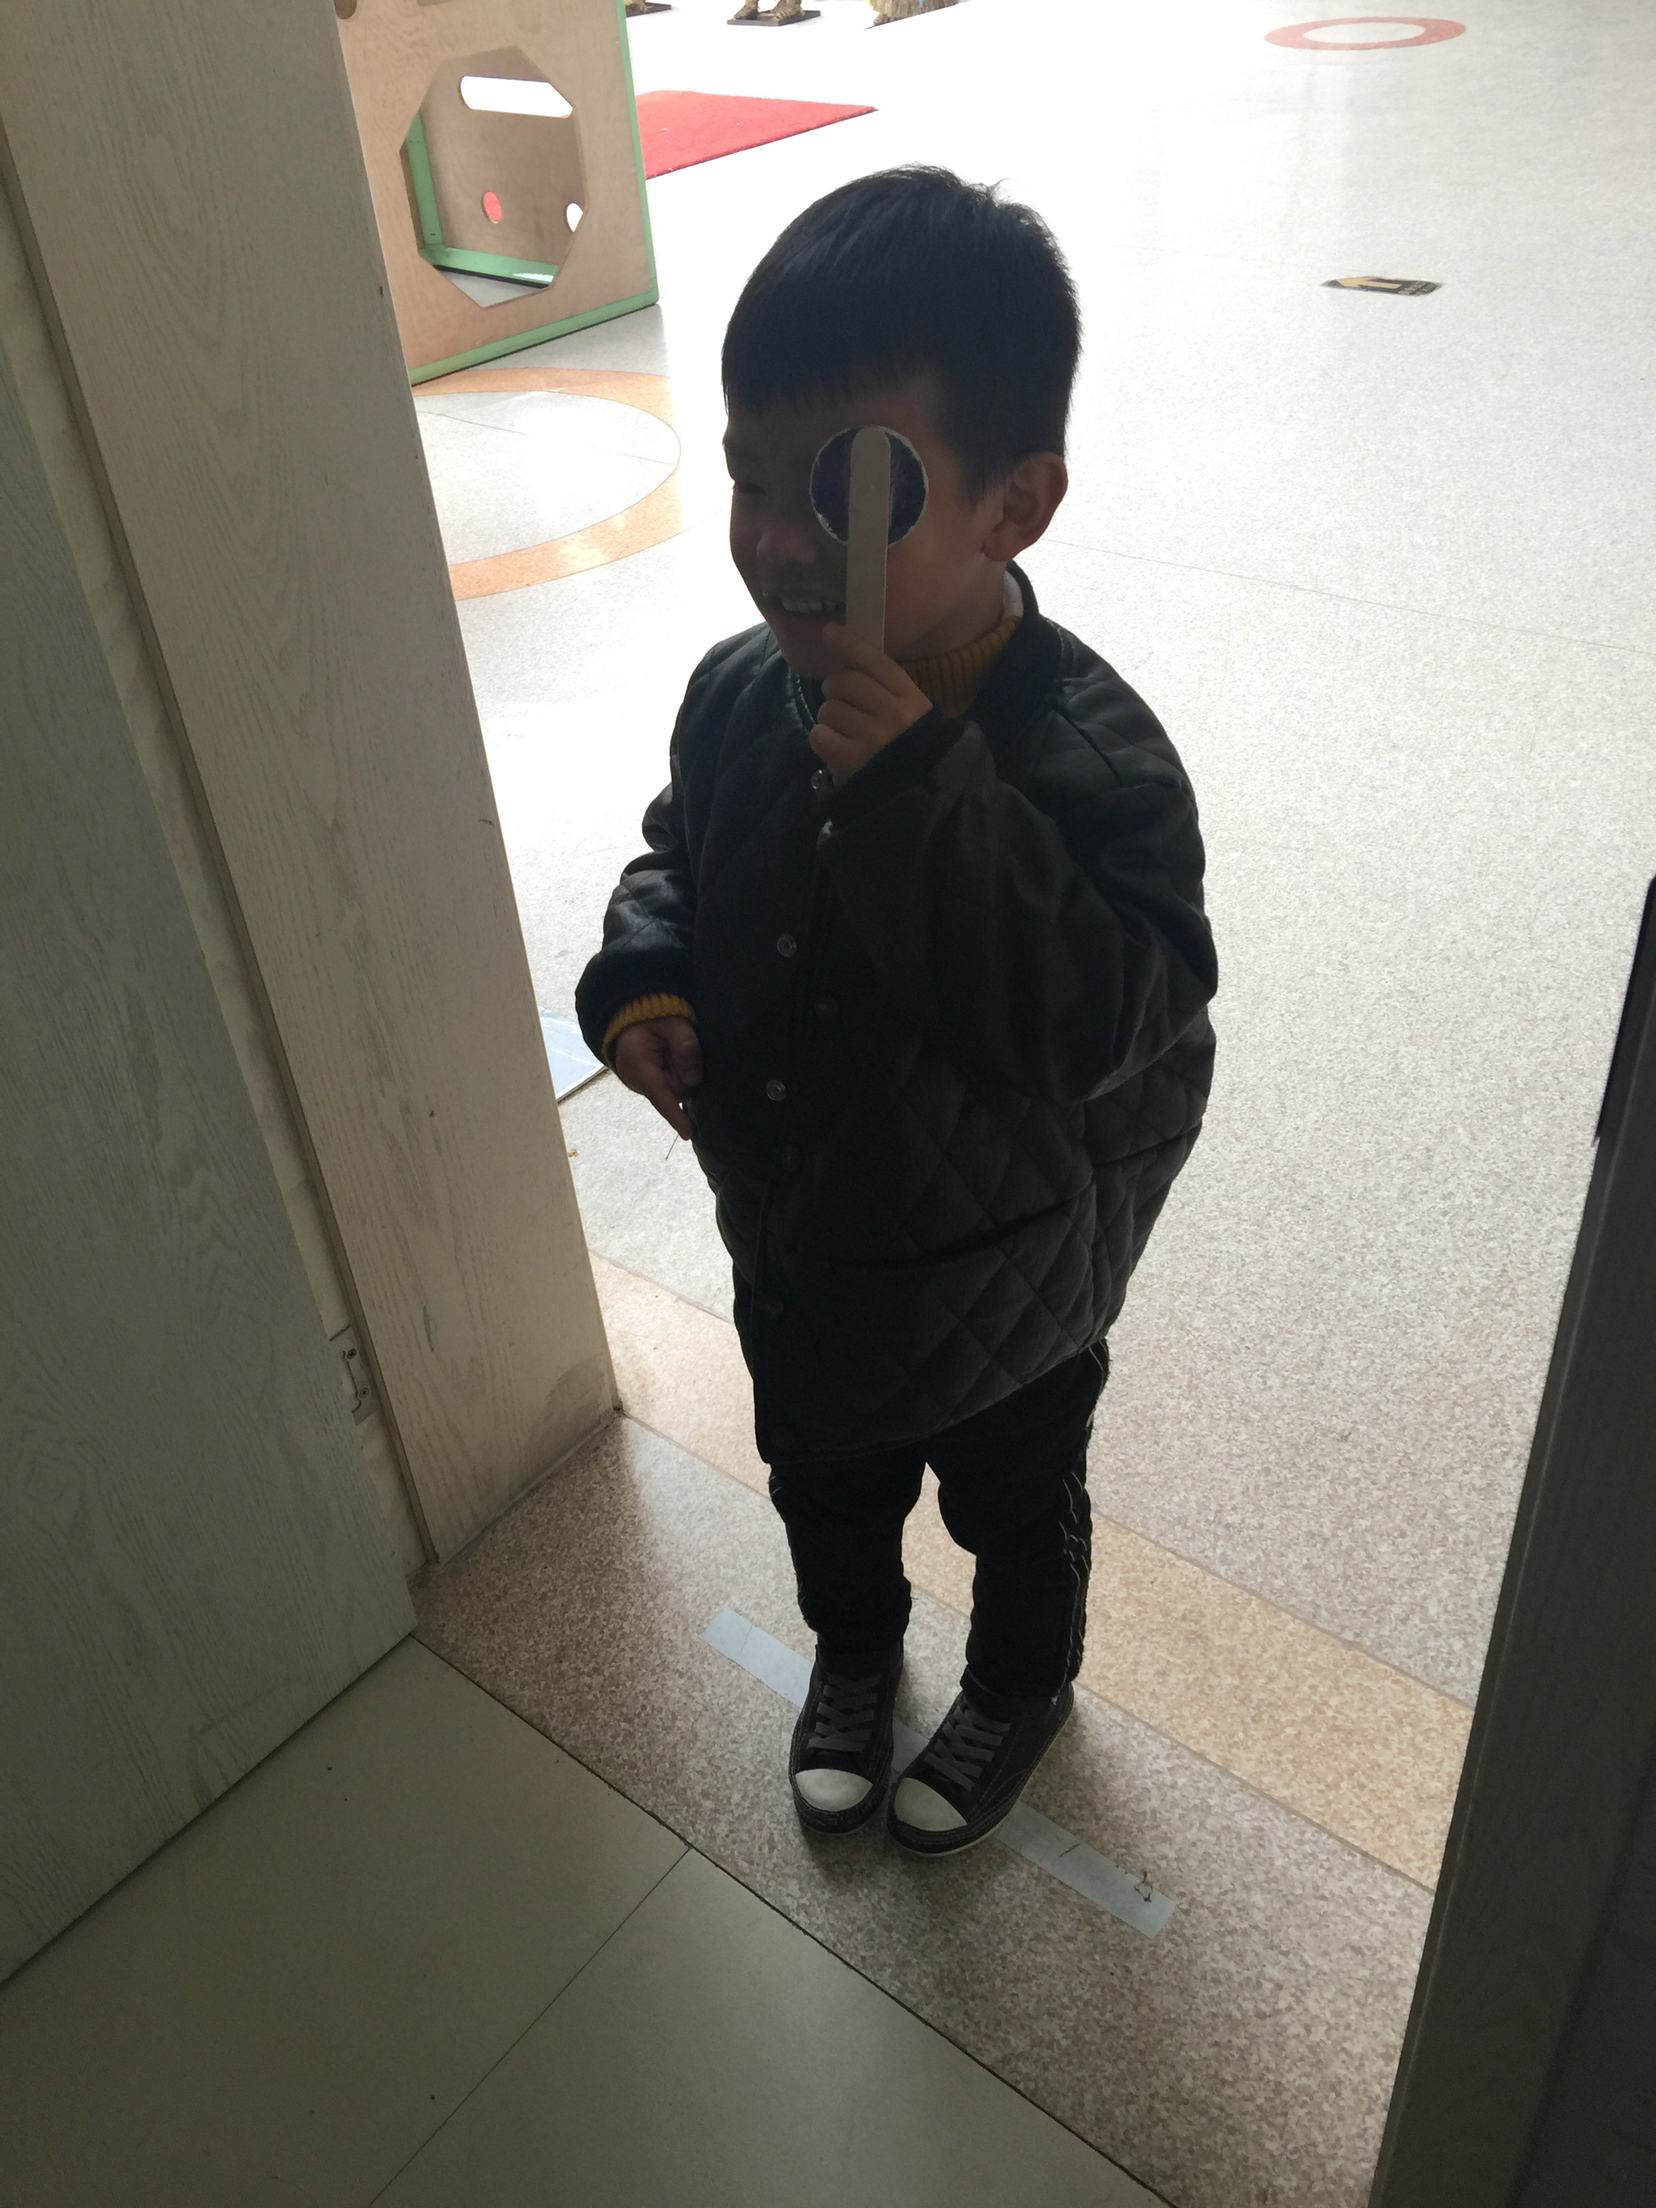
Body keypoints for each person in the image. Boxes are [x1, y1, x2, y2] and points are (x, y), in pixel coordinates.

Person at [576, 168, 1216, 1857]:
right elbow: (682, 852)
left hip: (1009, 1278)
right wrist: (646, 976)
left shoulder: (1090, 760)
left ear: (1016, 505)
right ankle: (857, 1654)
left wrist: (919, 788)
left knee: (1017, 1505)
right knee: (829, 1491)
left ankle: (1019, 1681)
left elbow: (1109, 1017)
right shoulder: (743, 690)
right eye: (749, 476)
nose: (781, 539)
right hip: (801, 1242)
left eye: (848, 489)